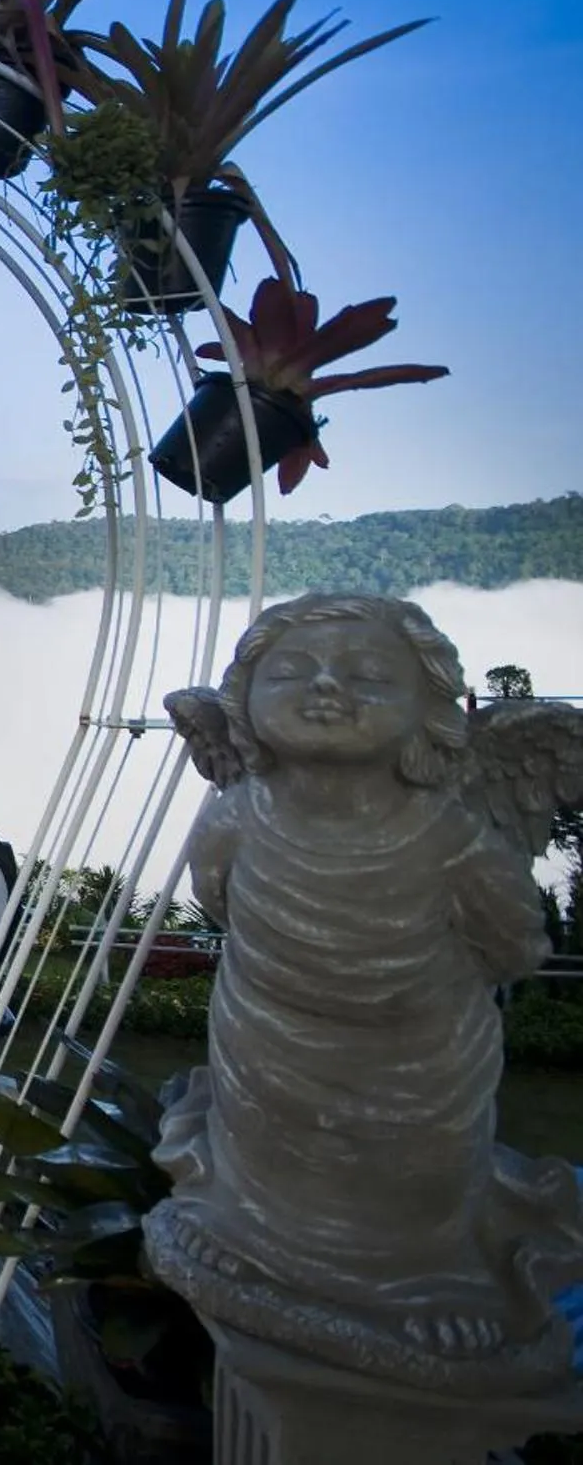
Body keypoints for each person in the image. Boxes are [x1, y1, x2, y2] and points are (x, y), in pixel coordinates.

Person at [152, 594, 583, 1396]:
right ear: (246, 703)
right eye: (292, 671)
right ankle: (243, 1225)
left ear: (429, 710)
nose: (326, 687)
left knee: (415, 1164)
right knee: (264, 1134)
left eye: (369, 676)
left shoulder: (447, 837)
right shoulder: (238, 817)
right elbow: (223, 900)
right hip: (267, 1034)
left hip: (415, 1056)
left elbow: (513, 941)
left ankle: (430, 1276)